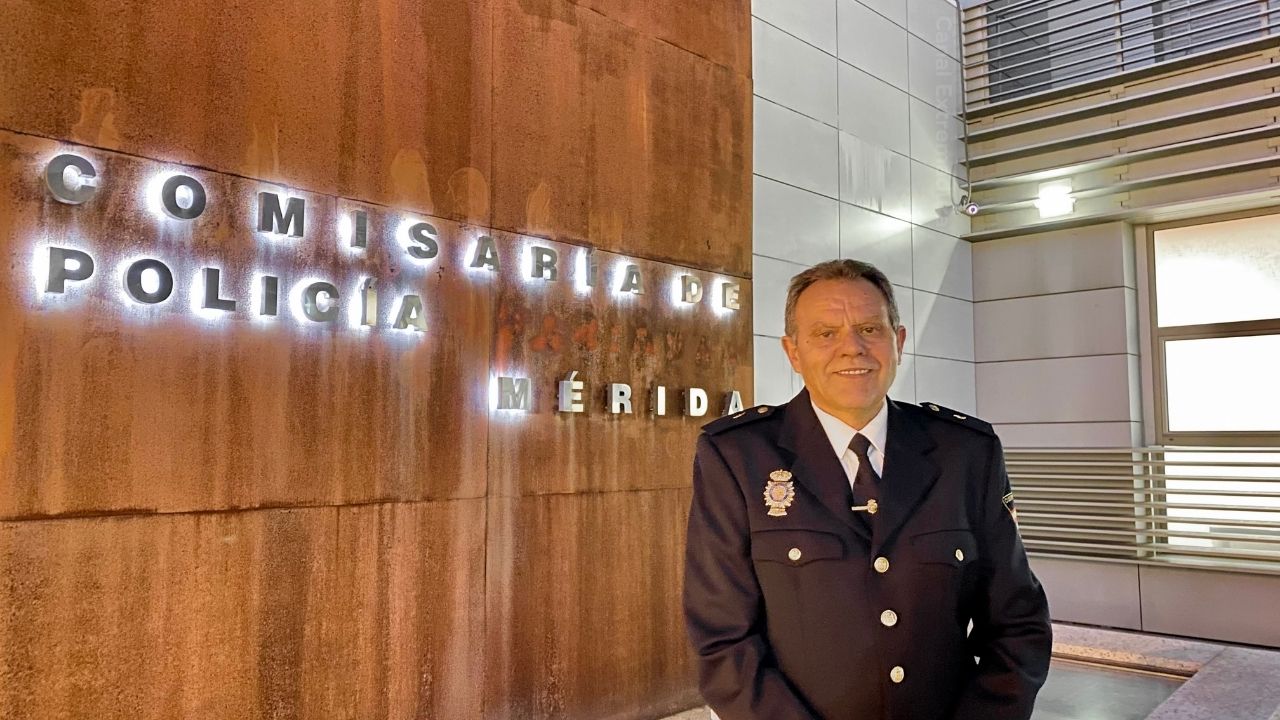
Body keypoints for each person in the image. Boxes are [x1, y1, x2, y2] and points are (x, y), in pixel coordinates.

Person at [683, 259, 1052, 720]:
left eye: (869, 329)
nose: (851, 348)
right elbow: (722, 638)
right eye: (825, 334)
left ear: (897, 342)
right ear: (793, 352)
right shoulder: (739, 456)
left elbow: (1018, 625)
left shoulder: (965, 453)